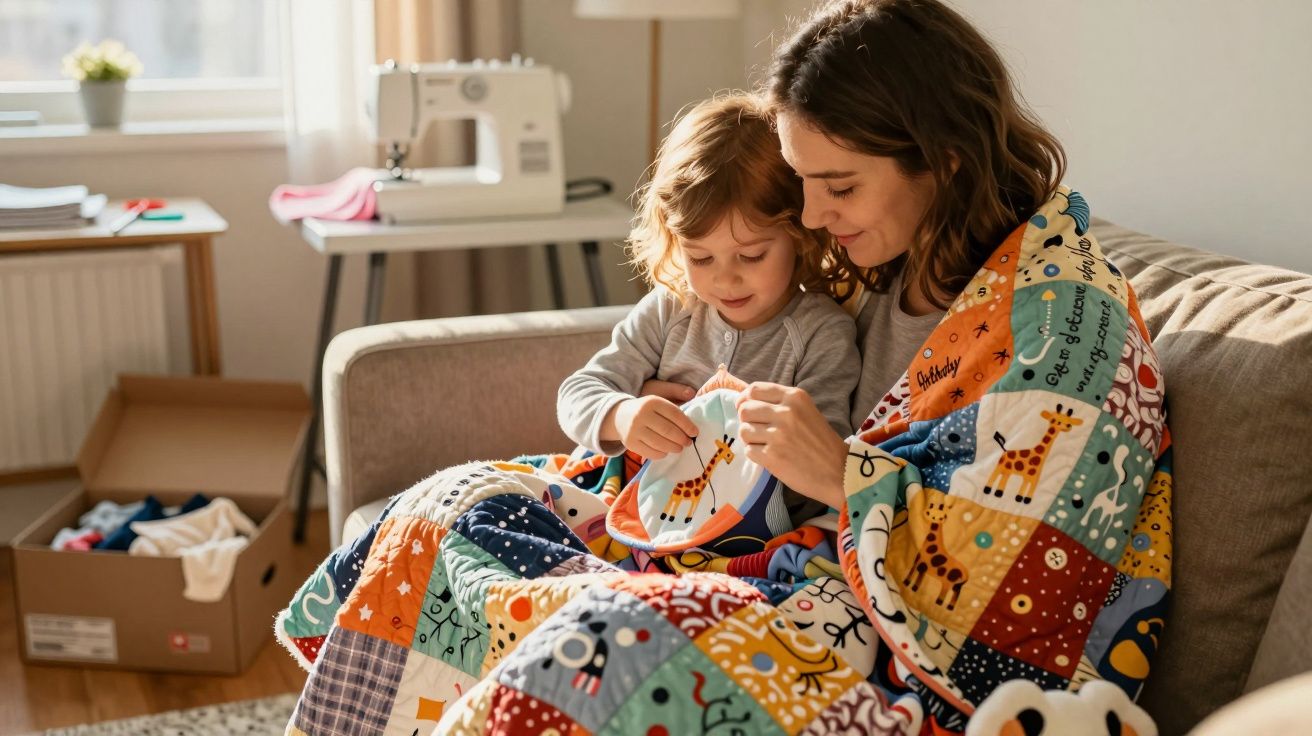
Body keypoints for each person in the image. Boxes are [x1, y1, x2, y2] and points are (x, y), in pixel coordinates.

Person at [557, 93, 862, 520]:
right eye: (700, 258)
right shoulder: (671, 308)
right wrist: (623, 415)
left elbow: (820, 461)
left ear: (799, 233)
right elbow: (577, 394)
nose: (724, 279)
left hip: (739, 527)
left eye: (752, 256)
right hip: (625, 504)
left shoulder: (821, 333)